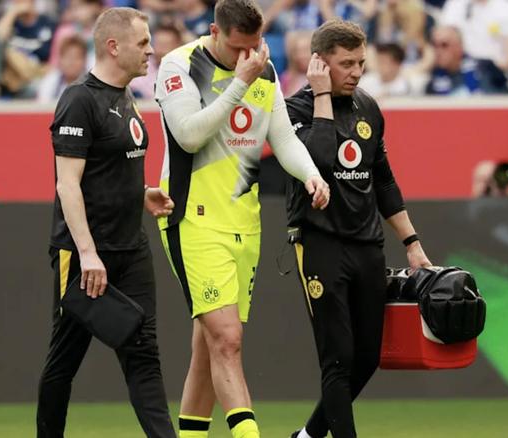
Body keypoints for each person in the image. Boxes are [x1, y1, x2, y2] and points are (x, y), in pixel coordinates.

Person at [154, 0, 330, 437]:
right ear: (214, 32)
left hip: (245, 223)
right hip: (192, 219)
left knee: (209, 346)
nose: (247, 56)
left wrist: (311, 174)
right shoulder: (180, 65)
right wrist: (238, 84)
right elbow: (188, 136)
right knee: (228, 339)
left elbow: (282, 138)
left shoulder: (263, 71)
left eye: (254, 46)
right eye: (237, 48)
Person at [284, 19, 431, 438]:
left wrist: (412, 242)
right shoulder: (293, 111)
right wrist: (322, 97)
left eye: (361, 63)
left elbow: (383, 181)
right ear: (319, 63)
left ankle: (307, 436)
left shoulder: (368, 107)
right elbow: (319, 162)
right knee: (337, 359)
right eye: (346, 63)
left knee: (367, 357)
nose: (357, 72)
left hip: (367, 245)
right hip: (320, 243)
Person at [36, 7, 176, 438]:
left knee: (144, 354)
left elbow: (109, 167)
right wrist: (87, 254)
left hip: (131, 250)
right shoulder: (79, 99)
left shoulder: (126, 95)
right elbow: (68, 185)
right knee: (64, 361)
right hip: (85, 258)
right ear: (114, 47)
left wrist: (142, 191)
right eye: (143, 42)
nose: (151, 50)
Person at [0, 0, 57, 98]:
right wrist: (13, 13)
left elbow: (53, 60)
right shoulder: (5, 19)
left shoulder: (48, 23)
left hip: (33, 77)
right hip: (8, 76)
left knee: (36, 88)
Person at [425, 25, 481, 96]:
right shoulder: (431, 79)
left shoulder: (485, 71)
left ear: (459, 46)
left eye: (444, 45)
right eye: (434, 45)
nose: (438, 51)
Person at [37, 35, 88, 102]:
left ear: (85, 60)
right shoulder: (50, 80)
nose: (72, 62)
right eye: (68, 57)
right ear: (60, 60)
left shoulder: (93, 85)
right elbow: (42, 105)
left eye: (77, 57)